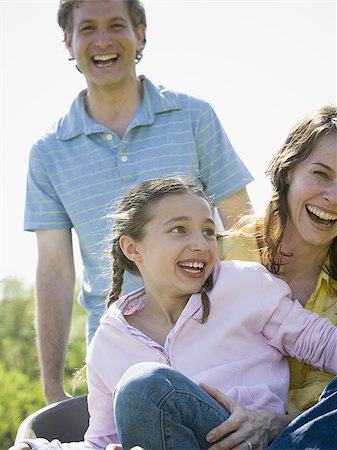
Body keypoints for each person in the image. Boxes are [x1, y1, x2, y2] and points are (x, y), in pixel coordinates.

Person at [24, 0, 254, 404]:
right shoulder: (48, 152)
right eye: (88, 29)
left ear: (140, 33)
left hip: (216, 338)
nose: (103, 41)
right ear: (68, 40)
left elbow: (242, 229)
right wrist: (52, 388)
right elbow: (55, 273)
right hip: (118, 356)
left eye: (116, 25)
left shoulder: (193, 116)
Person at [13, 176, 337, 450]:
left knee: (145, 384)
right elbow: (101, 442)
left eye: (209, 231)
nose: (201, 243)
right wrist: (42, 446)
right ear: (132, 248)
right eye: (180, 230)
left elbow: (326, 345)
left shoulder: (244, 284)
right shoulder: (109, 340)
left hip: (255, 442)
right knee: (142, 385)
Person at [218, 104, 337, 415]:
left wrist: (274, 424)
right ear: (288, 171)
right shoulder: (221, 257)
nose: (333, 197)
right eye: (321, 174)